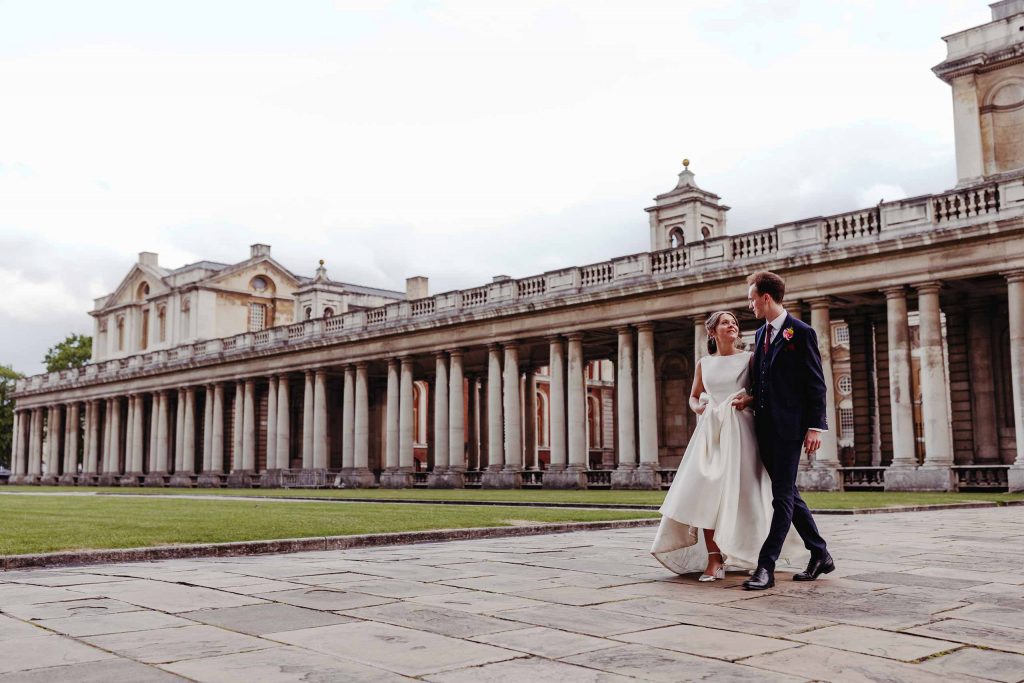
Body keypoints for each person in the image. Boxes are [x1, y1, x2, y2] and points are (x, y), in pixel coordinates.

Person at [651, 310, 808, 581]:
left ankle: (745, 550)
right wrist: (697, 407)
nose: (732, 326)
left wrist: (746, 400)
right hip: (710, 431)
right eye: (726, 323)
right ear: (712, 331)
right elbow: (693, 396)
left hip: (742, 431)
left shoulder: (749, 358)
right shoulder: (704, 363)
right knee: (705, 491)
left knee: (744, 494)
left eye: (734, 322)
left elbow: (764, 389)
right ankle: (714, 559)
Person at [743, 270, 834, 591]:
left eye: (752, 298)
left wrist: (815, 427)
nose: (749, 304)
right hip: (763, 427)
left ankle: (765, 566)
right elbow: (763, 380)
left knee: (781, 497)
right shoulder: (759, 334)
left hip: (790, 428)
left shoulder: (802, 332)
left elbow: (816, 384)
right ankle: (820, 553)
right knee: (788, 493)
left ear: (766, 298)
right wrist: (749, 398)